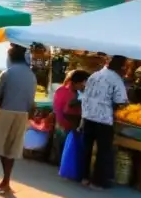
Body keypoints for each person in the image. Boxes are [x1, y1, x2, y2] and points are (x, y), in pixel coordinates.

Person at [0, 44, 37, 195]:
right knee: (12, 148)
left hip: (5, 112)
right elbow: (32, 100)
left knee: (0, 147)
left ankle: (4, 182)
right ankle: (6, 181)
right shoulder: (31, 75)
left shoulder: (7, 73)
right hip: (23, 114)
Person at [79, 55, 128, 190]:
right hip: (104, 119)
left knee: (86, 149)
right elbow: (121, 101)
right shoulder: (116, 79)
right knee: (103, 151)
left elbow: (85, 94)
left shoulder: (95, 75)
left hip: (88, 116)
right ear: (121, 66)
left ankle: (83, 177)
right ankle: (97, 182)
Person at [50, 69, 89, 165]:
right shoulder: (62, 91)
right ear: (77, 83)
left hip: (75, 125)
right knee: (63, 144)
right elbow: (58, 110)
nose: (85, 85)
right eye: (84, 83)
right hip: (64, 124)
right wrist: (62, 124)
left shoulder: (81, 93)